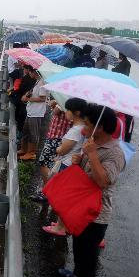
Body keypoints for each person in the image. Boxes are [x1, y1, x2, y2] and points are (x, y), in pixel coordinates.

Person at [58, 104, 125, 277]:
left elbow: (104, 181)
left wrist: (93, 155)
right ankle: (79, 276)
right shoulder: (92, 142)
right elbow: (87, 175)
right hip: (83, 205)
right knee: (79, 244)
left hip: (97, 212)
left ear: (101, 127)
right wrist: (80, 161)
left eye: (87, 124)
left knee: (88, 251)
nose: (84, 128)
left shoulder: (114, 152)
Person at [40, 98, 88, 235]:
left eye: (68, 110)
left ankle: (60, 228)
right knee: (65, 195)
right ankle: (62, 224)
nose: (66, 112)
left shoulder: (76, 130)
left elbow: (63, 150)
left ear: (76, 113)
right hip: (71, 164)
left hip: (66, 165)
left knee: (63, 197)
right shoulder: (82, 128)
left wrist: (58, 149)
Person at [33, 99, 72, 201]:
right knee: (51, 165)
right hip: (57, 136)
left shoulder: (66, 98)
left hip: (57, 137)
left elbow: (55, 111)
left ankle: (47, 191)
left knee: (44, 163)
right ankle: (48, 190)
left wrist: (57, 103)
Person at [18, 65, 48, 160]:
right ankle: (24, 149)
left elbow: (42, 98)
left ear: (34, 72)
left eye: (30, 72)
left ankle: (31, 153)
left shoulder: (42, 82)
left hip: (37, 112)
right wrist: (28, 95)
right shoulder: (38, 81)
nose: (29, 73)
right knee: (26, 131)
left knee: (33, 133)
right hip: (31, 111)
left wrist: (28, 98)